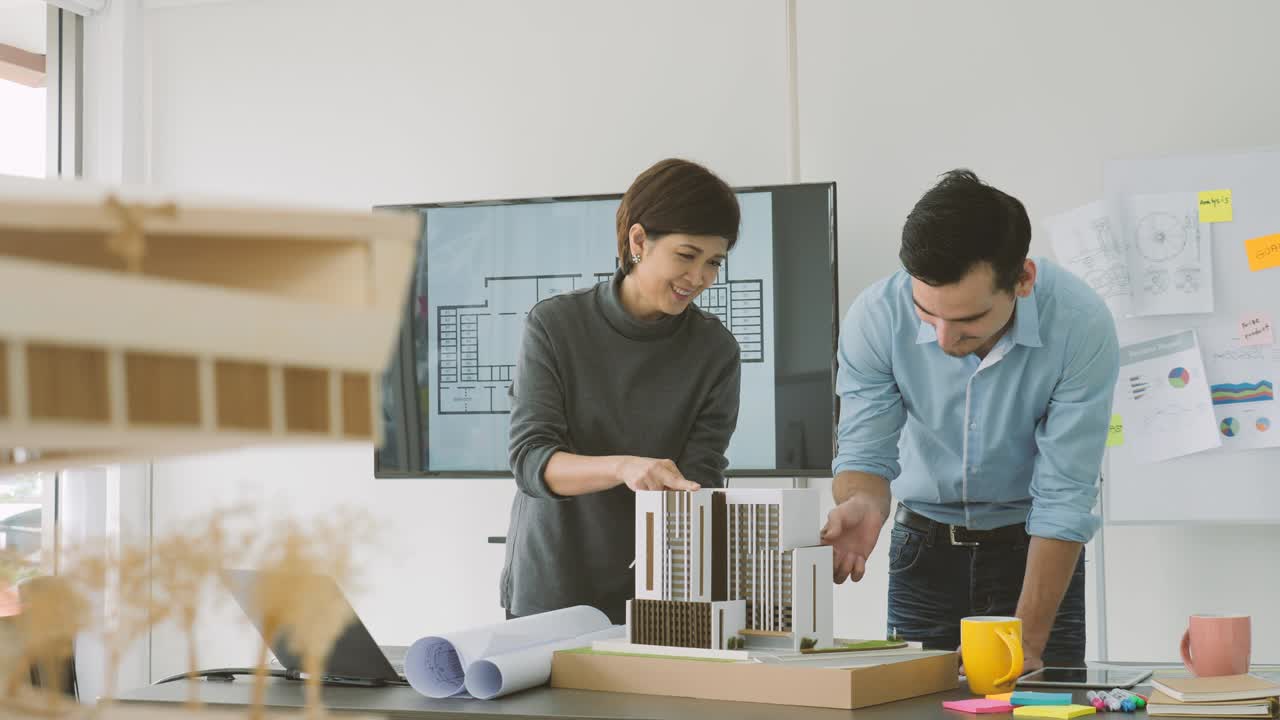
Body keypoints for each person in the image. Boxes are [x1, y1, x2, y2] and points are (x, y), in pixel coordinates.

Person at [820, 169, 1119, 669]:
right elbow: (864, 451)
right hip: (924, 547)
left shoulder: (1079, 325)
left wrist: (1030, 639)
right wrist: (862, 502)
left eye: (967, 321)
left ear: (1022, 280)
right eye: (927, 313)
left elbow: (1065, 492)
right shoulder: (875, 318)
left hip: (1036, 549)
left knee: (1041, 701)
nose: (942, 339)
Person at [500, 158, 743, 624]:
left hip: (658, 593)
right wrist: (624, 467)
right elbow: (532, 462)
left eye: (714, 262)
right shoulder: (555, 326)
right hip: (552, 586)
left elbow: (702, 473)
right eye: (686, 255)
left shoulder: (716, 351)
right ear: (638, 241)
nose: (699, 278)